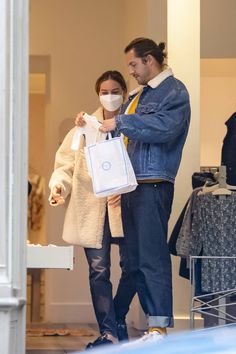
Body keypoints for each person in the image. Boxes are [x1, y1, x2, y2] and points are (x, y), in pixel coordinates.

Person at [100, 38, 191, 342]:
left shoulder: (174, 91)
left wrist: (122, 122)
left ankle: (159, 327)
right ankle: (154, 325)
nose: (132, 71)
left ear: (150, 60)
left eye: (134, 64)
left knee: (152, 257)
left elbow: (165, 128)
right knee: (135, 260)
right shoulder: (139, 95)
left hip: (152, 185)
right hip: (132, 186)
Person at [49, 70, 136, 349]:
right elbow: (65, 164)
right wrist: (59, 186)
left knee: (134, 266)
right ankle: (109, 332)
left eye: (115, 90)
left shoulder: (133, 124)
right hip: (93, 210)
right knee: (99, 271)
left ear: (124, 90)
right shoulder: (84, 128)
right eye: (104, 91)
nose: (109, 96)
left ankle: (118, 316)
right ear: (97, 94)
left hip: (126, 208)